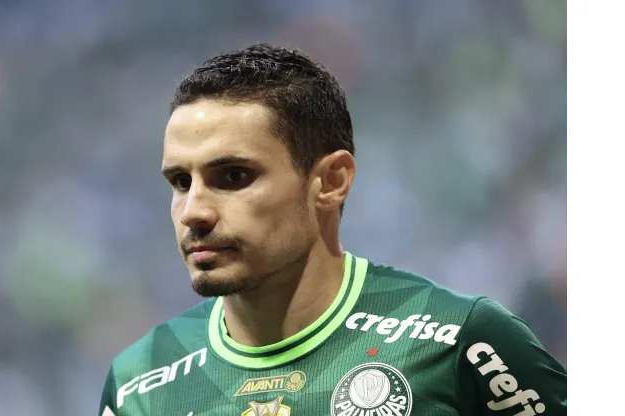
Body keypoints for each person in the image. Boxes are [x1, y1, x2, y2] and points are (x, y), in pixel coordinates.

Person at [98, 43, 566, 416]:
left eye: (234, 176)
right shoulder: (137, 383)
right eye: (181, 181)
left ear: (331, 181)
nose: (193, 211)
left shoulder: (462, 340)